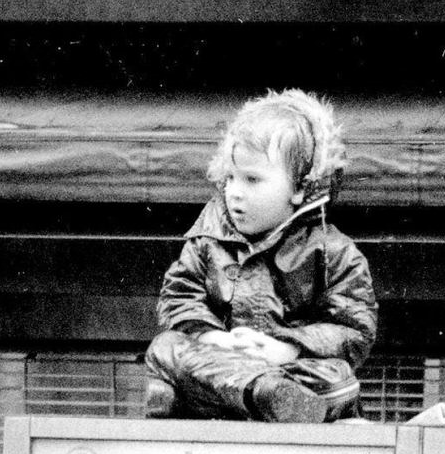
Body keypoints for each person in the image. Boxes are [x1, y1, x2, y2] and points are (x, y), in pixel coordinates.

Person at [145, 88, 377, 423]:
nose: (235, 192)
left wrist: (287, 347)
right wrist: (214, 338)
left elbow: (354, 329)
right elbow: (178, 299)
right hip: (219, 364)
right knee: (165, 347)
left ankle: (268, 395)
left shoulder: (334, 251)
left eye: (252, 179)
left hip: (287, 366)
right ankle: (262, 393)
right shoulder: (206, 240)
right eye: (230, 178)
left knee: (337, 376)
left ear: (299, 188)